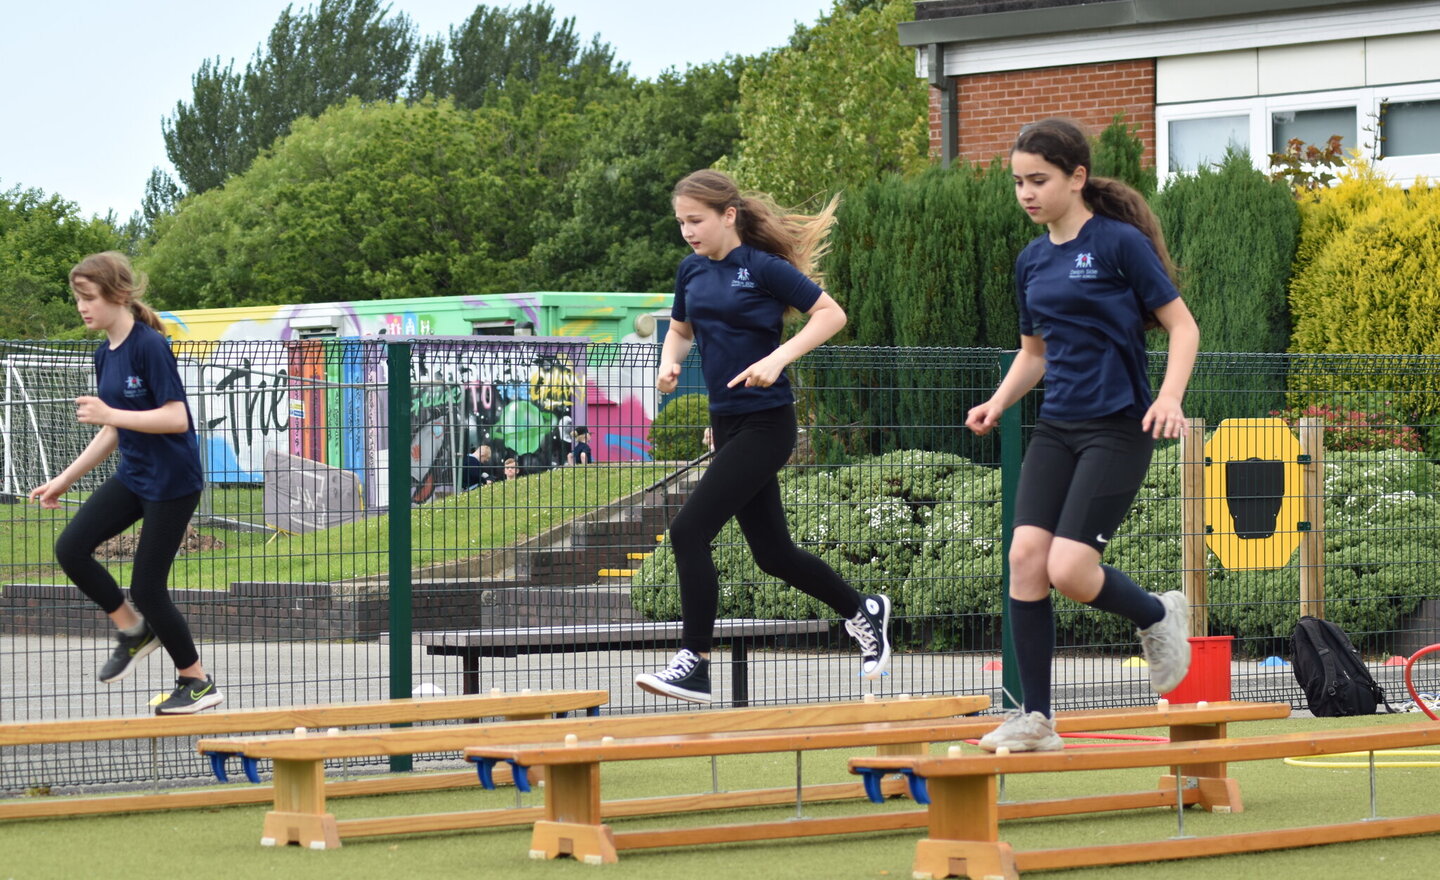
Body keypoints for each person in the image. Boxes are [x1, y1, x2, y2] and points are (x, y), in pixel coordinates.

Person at [964, 119, 1200, 751]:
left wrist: (1170, 397)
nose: (1026, 193)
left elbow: (1183, 328)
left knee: (1070, 568)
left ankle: (1157, 613)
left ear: (1077, 177)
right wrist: (997, 400)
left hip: (1120, 425)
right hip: (1058, 426)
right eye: (1018, 182)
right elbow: (1033, 354)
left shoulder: (1119, 243)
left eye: (1038, 180)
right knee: (1024, 559)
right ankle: (1034, 718)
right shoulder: (1032, 261)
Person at [634, 169, 892, 704]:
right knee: (772, 554)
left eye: (696, 220)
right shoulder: (690, 272)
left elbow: (831, 314)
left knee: (688, 532)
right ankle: (863, 610)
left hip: (766, 423)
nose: (687, 231)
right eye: (681, 222)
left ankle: (695, 663)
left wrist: (778, 358)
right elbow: (681, 330)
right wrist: (669, 364)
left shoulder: (763, 269)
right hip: (727, 424)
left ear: (729, 216)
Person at [30, 252, 223, 715]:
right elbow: (113, 431)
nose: (81, 307)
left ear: (117, 296)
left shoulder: (148, 346)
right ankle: (134, 629)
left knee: (148, 587)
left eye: (88, 297)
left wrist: (110, 412)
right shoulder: (105, 353)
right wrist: (61, 481)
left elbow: (177, 419)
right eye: (77, 297)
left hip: (173, 482)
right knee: (71, 548)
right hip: (134, 476)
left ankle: (196, 682)